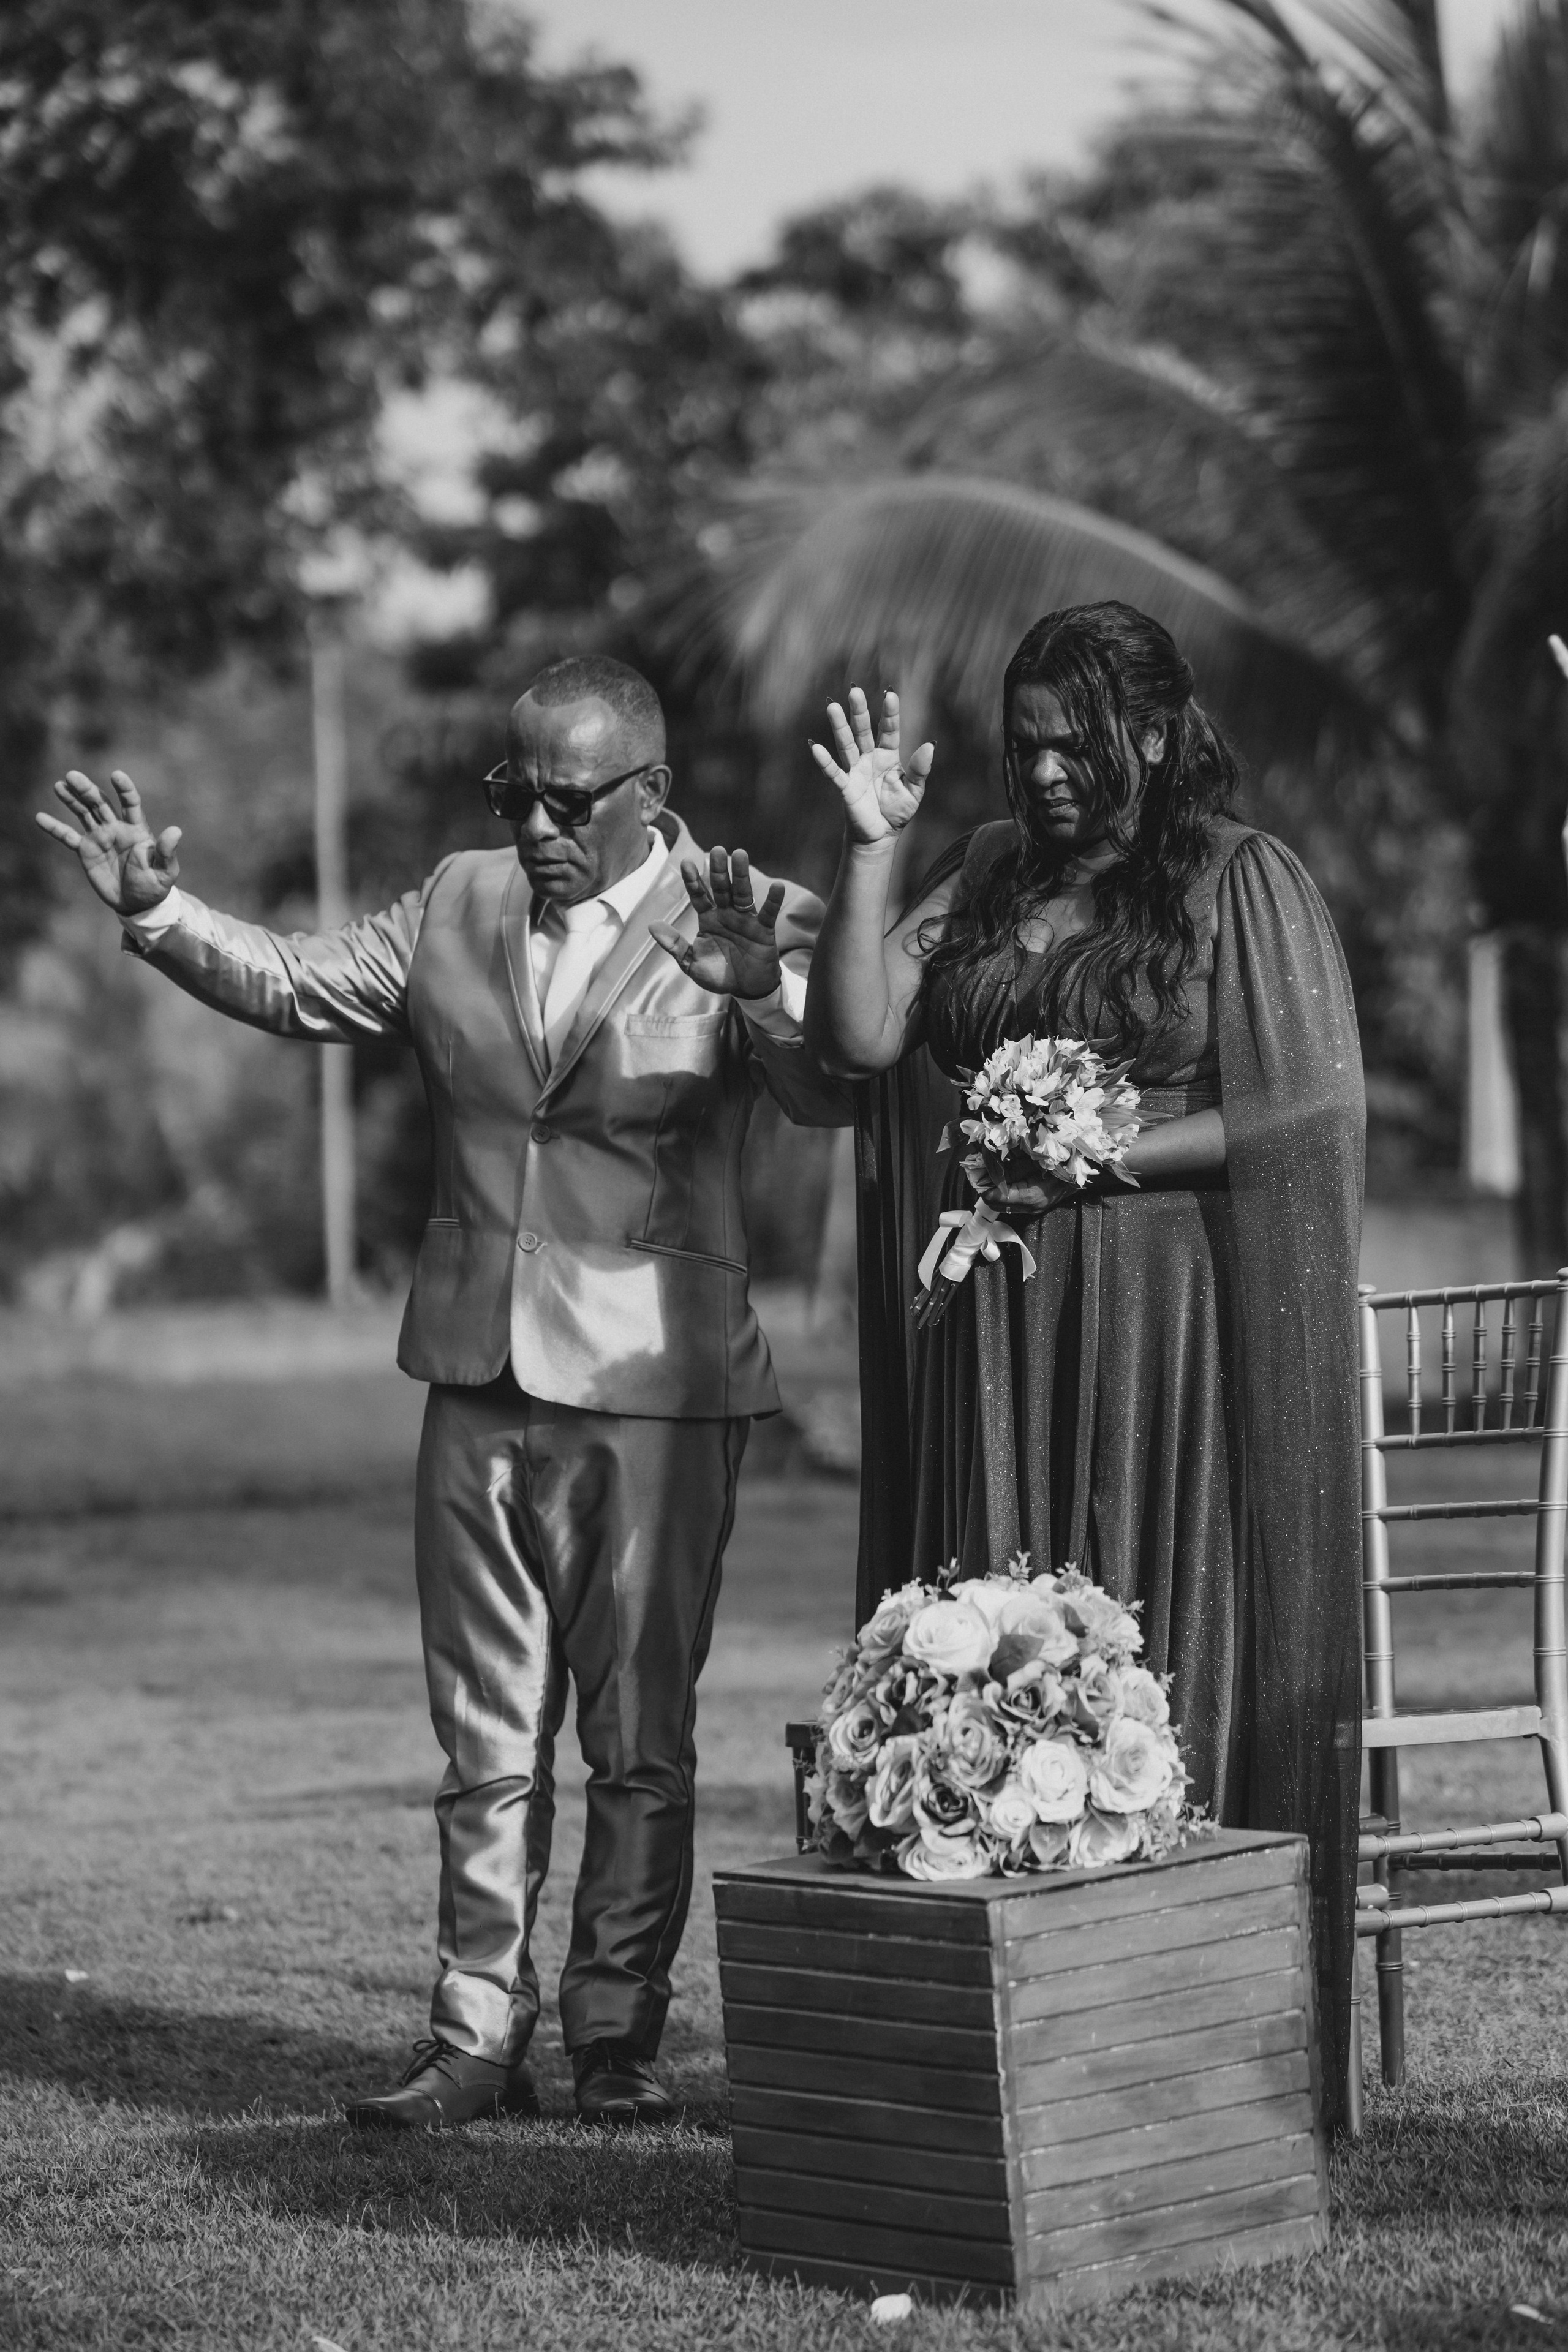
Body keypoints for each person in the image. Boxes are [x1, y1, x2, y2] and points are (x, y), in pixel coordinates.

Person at [36, 654, 849, 2129]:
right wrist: (156, 912)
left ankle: (616, 2038)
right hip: (475, 1371)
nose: (533, 822)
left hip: (660, 1385)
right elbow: (296, 983)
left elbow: (840, 1088)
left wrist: (768, 998)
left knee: (636, 1740)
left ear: (647, 793)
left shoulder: (740, 908)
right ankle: (472, 2037)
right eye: (512, 790)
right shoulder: (457, 901)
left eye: (565, 797)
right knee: (483, 1734)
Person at [788, 601, 1365, 2129]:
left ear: (1157, 736)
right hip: (990, 1324)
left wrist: (1098, 1155)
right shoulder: (981, 875)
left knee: (1146, 1621)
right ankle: (1015, 2047)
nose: (1043, 774)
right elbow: (857, 1038)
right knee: (988, 1661)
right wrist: (867, 852)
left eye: (1075, 745)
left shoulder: (1240, 881)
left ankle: (1177, 2038)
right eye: (1024, 743)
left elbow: (1303, 1112)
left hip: (1157, 1328)